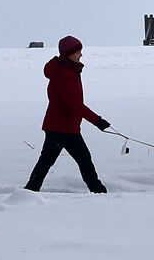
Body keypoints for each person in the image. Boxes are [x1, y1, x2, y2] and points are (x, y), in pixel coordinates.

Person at [24, 36, 110, 193]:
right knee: (48, 161)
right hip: (59, 128)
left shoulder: (71, 70)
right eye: (78, 52)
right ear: (68, 54)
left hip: (68, 127)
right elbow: (75, 105)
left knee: (83, 159)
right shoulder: (65, 75)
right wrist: (97, 121)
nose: (81, 55)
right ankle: (29, 192)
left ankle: (98, 191)